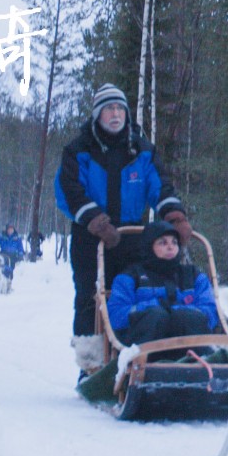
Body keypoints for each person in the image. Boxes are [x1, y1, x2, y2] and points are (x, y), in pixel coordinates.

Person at [58, 83, 195, 372]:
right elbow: (69, 191)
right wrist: (96, 220)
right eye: (109, 108)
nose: (115, 114)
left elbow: (161, 187)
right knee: (89, 297)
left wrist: (174, 216)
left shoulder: (142, 149)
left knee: (135, 292)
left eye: (120, 108)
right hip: (90, 236)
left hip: (132, 235)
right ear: (98, 114)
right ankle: (91, 365)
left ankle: (132, 355)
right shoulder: (78, 150)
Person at [107, 221, 217, 353]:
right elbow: (115, 316)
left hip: (190, 349)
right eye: (163, 243)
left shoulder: (193, 276)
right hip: (144, 349)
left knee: (188, 316)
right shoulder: (130, 277)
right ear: (149, 246)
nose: (170, 247)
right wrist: (154, 307)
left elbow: (211, 312)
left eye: (174, 242)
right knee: (156, 315)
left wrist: (176, 312)